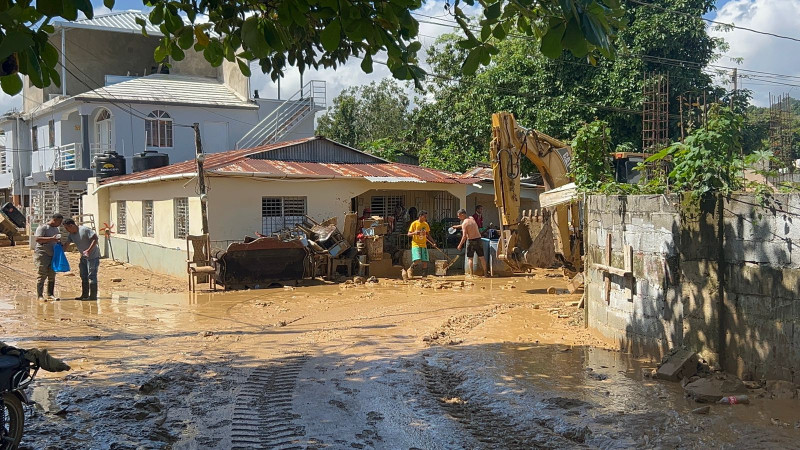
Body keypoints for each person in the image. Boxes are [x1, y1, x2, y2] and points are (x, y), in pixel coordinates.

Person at [63, 219, 101, 300]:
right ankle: (85, 295)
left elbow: (95, 238)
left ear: (71, 226)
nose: (66, 230)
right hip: (83, 257)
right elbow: (67, 244)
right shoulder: (71, 234)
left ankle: (93, 296)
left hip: (93, 256)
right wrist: (60, 251)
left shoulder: (84, 230)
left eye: (67, 228)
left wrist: (88, 250)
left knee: (92, 275)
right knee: (83, 275)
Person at [34, 213, 64, 301]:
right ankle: (40, 295)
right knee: (42, 274)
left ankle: (50, 294)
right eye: (60, 221)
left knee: (52, 274)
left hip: (53, 253)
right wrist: (51, 239)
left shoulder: (56, 229)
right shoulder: (43, 227)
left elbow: (56, 239)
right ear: (55, 220)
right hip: (42, 253)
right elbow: (38, 239)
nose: (60, 223)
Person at [457, 208, 489, 277]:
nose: (458, 217)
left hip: (471, 241)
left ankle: (471, 275)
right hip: (478, 239)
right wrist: (457, 226)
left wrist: (460, 245)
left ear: (462, 215)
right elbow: (470, 225)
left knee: (470, 258)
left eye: (459, 216)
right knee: (482, 257)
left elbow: (464, 236)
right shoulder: (472, 218)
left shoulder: (464, 224)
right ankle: (486, 274)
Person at [407, 210, 435, 277]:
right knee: (417, 259)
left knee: (425, 261)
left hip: (423, 245)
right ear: (420, 216)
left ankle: (424, 276)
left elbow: (428, 235)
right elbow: (408, 234)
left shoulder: (426, 224)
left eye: (426, 217)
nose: (425, 218)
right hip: (416, 244)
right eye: (424, 216)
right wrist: (415, 233)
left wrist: (433, 242)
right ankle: (410, 269)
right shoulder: (414, 223)